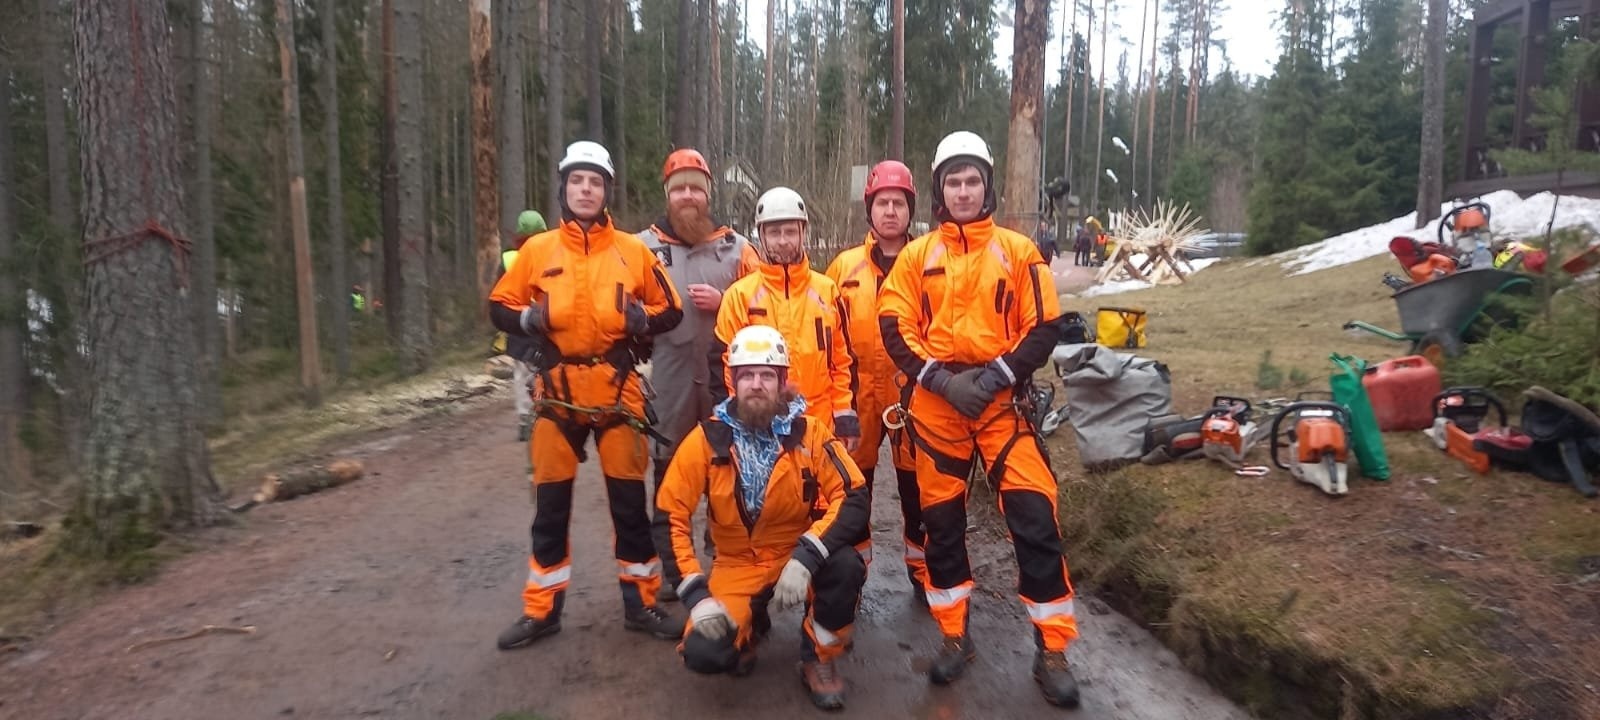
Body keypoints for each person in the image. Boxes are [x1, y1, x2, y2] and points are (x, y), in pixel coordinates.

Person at [877, 130, 1081, 707]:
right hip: (937, 410)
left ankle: (1053, 647)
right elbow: (894, 326)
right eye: (953, 182)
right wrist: (942, 381)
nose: (963, 191)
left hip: (1002, 409)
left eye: (972, 181)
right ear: (940, 191)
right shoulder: (918, 256)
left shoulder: (1018, 252)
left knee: (1035, 519)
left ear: (986, 185)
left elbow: (1043, 327)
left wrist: (991, 378)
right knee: (941, 529)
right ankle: (952, 636)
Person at [488, 140, 685, 650]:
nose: (585, 189)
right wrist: (529, 321)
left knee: (629, 508)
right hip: (557, 394)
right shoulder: (537, 251)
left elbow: (672, 310)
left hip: (618, 395)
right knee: (550, 509)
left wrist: (642, 325)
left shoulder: (632, 250)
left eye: (594, 182)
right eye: (577, 180)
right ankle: (542, 610)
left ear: (606, 191)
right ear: (564, 186)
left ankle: (641, 605)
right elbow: (499, 307)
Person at [657, 325, 869, 710]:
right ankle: (748, 630)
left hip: (796, 551)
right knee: (705, 652)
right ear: (733, 381)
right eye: (748, 375)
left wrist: (808, 555)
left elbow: (853, 495)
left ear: (782, 381)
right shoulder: (706, 439)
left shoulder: (810, 432)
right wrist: (696, 596)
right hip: (737, 564)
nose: (757, 384)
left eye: (767, 375)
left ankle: (819, 657)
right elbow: (669, 515)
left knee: (846, 566)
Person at [636, 148, 762, 601]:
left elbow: (768, 304)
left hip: (725, 382)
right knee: (670, 474)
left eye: (696, 188)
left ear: (708, 194)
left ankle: (727, 558)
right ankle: (670, 566)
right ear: (667, 195)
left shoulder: (738, 248)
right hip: (667, 382)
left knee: (727, 468)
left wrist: (726, 296)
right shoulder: (641, 247)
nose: (688, 196)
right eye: (679, 188)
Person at [824, 160, 926, 597]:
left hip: (915, 392)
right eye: (882, 203)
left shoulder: (928, 261)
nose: (890, 211)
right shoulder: (843, 268)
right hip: (858, 389)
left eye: (898, 203)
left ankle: (924, 572)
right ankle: (856, 568)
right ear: (870, 209)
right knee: (854, 485)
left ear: (910, 210)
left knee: (917, 488)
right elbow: (824, 331)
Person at [710, 186, 860, 450]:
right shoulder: (740, 296)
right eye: (774, 232)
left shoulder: (827, 291)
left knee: (821, 491)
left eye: (790, 231)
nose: (782, 241)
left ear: (803, 233)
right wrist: (738, 419)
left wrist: (844, 413)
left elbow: (842, 360)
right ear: (761, 236)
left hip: (820, 421)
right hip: (761, 421)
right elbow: (724, 365)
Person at [502, 210, 549, 441]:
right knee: (544, 371)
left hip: (519, 326)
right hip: (543, 325)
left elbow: (498, 297)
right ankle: (545, 414)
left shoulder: (509, 259)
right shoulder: (551, 254)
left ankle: (525, 418)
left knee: (521, 374)